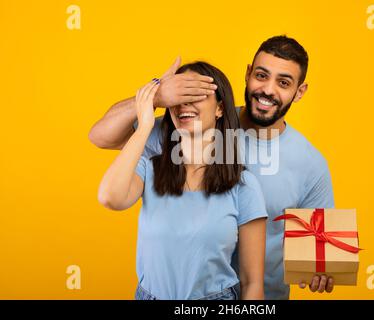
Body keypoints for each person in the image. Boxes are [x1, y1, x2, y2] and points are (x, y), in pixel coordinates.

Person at [90, 35, 335, 300]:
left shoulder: (310, 164)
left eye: (284, 82)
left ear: (300, 91)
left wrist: (321, 269)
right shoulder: (189, 125)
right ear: (248, 73)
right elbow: (101, 137)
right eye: (262, 75)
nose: (268, 90)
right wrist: (157, 96)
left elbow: (322, 249)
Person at [97, 62, 268, 300]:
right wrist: (146, 121)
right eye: (178, 97)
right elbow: (109, 197)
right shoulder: (149, 168)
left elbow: (252, 284)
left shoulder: (244, 186)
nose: (184, 104)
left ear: (219, 108)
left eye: (195, 94)